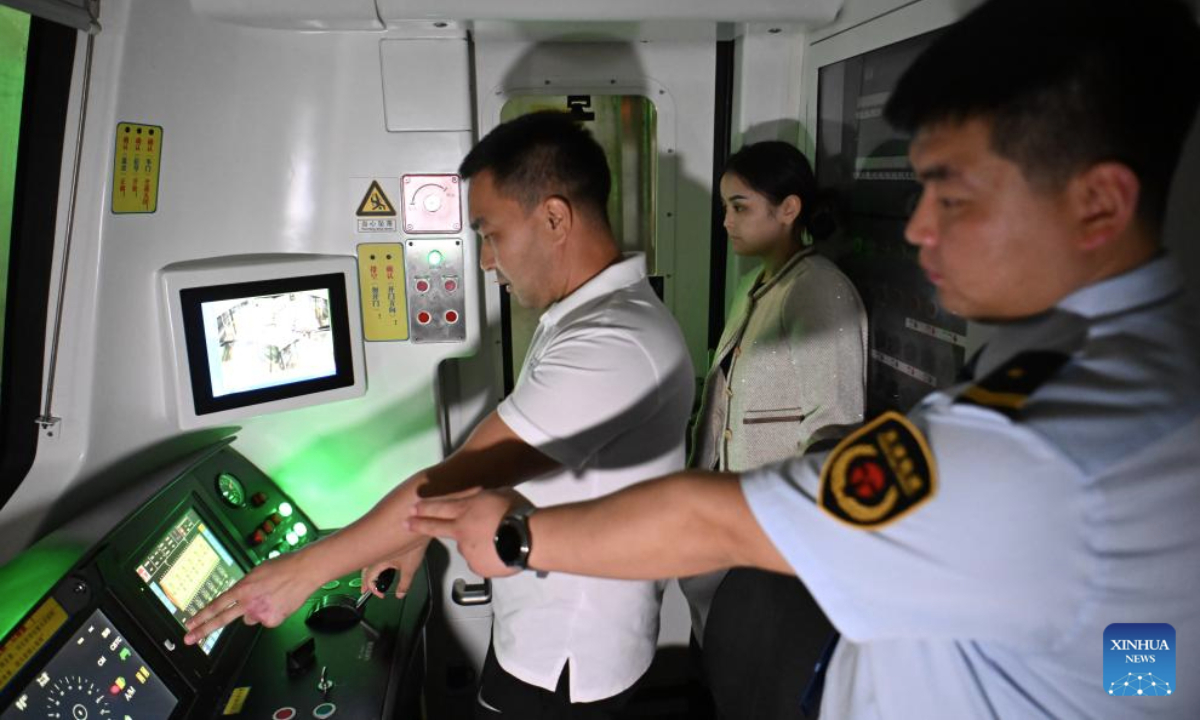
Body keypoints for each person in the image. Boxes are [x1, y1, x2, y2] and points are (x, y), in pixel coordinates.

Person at [408, 1, 1200, 717]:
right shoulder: (1124, 370)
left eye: (953, 197)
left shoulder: (1029, 441)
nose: (919, 227)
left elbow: (708, 519)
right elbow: (1152, 651)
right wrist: (1088, 681)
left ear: (1097, 203)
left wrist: (518, 538)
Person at [185, 111, 696, 719]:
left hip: (564, 662)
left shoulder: (611, 343)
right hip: (553, 641)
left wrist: (303, 572)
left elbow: (459, 479)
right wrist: (413, 536)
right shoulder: (589, 320)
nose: (485, 260)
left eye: (491, 232)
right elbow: (511, 460)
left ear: (555, 217)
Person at [682, 141, 866, 718]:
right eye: (725, 208)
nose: (726, 222)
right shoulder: (758, 286)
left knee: (752, 683)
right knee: (717, 671)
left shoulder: (820, 292)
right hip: (726, 524)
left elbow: (835, 428)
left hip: (772, 538)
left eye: (740, 207)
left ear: (789, 209)